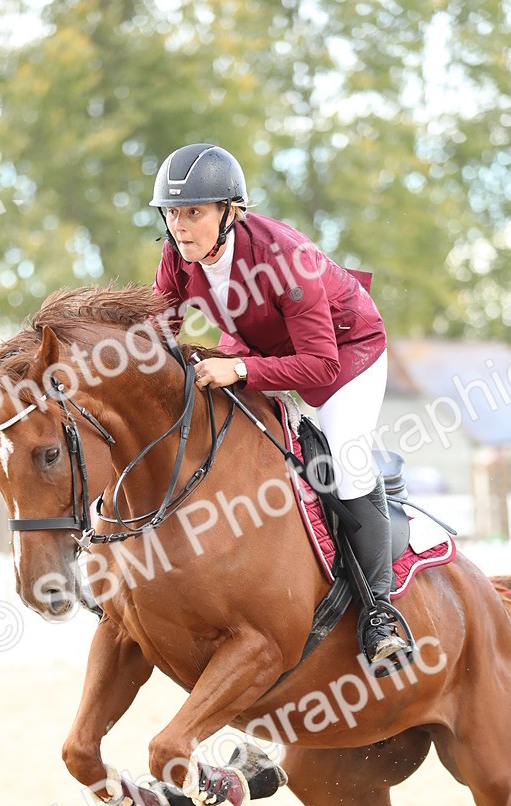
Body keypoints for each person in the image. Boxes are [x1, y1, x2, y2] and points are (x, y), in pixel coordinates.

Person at [150, 142, 410, 667]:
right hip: (260, 347)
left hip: (347, 353)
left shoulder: (285, 258)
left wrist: (240, 370)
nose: (180, 226)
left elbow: (321, 365)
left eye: (194, 212)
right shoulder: (178, 257)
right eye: (173, 213)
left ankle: (379, 612)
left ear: (229, 212)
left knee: (346, 460)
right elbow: (161, 329)